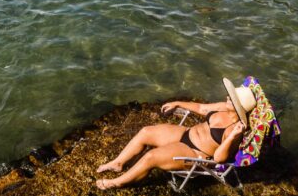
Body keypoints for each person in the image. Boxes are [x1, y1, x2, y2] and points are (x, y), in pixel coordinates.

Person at [95, 77, 258, 190]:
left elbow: (219, 158)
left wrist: (231, 137)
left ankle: (117, 183)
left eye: (232, 98)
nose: (227, 97)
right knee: (146, 132)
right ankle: (118, 163)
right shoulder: (223, 106)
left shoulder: (236, 130)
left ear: (238, 107)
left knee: (151, 157)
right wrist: (178, 103)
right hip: (186, 133)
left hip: (196, 153)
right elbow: (202, 108)